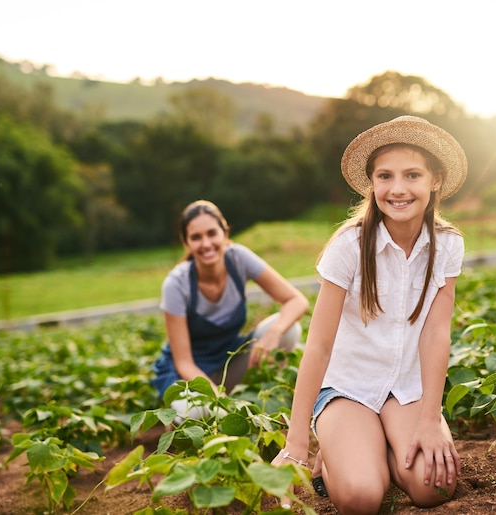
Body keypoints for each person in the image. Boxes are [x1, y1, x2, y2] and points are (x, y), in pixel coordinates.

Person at [272, 116, 467, 513]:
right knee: (361, 498)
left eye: (412, 174)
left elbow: (436, 335)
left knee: (435, 488)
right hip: (349, 388)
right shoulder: (349, 245)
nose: (397, 188)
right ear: (372, 183)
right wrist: (296, 444)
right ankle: (339, 455)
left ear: (436, 180)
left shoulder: (447, 245)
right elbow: (320, 344)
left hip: (407, 388)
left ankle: (376, 450)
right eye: (385, 176)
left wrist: (431, 418)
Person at [152, 200, 310, 418]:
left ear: (225, 233)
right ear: (186, 242)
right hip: (188, 375)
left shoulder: (238, 259)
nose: (206, 244)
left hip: (229, 361)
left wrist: (274, 332)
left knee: (289, 331)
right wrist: (215, 396)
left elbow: (296, 300)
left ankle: (248, 402)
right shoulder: (176, 284)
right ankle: (185, 416)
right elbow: (184, 362)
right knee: (196, 414)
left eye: (211, 233)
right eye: (196, 237)